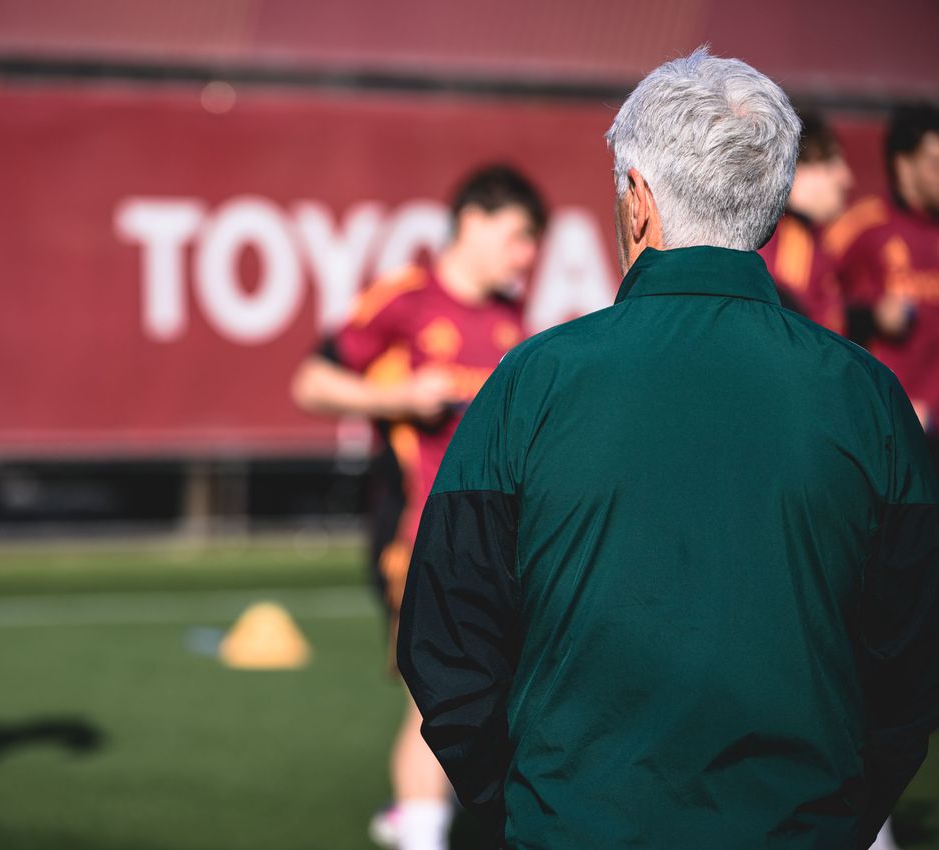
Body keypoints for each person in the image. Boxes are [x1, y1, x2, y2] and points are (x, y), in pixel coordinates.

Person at [399, 49, 939, 850]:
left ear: (640, 200)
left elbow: (444, 642)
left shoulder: (532, 382)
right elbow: (909, 664)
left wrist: (532, 802)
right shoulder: (868, 396)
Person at [292, 164, 545, 850]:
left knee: (492, 692)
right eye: (521, 236)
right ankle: (423, 828)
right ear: (474, 220)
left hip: (499, 539)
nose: (527, 256)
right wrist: (398, 398)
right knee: (436, 696)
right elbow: (311, 382)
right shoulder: (403, 299)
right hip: (417, 534)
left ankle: (418, 816)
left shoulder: (511, 320)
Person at [826, 102, 939, 476]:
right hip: (879, 429)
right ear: (904, 166)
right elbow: (810, 303)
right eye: (935, 161)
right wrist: (872, 313)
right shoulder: (861, 227)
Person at [757, 108, 853, 333]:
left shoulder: (812, 239)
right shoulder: (787, 243)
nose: (846, 178)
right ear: (794, 169)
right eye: (830, 164)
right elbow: (786, 333)